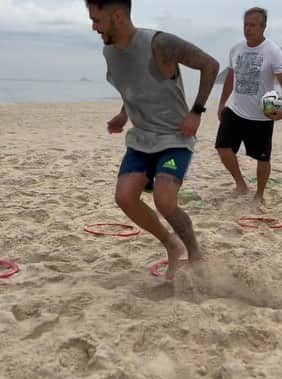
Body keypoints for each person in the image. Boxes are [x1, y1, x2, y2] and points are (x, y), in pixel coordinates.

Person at [85, 0, 219, 279]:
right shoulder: (109, 52)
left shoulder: (160, 44)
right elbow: (131, 87)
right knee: (124, 197)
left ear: (118, 16)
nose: (93, 27)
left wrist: (196, 112)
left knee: (165, 201)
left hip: (174, 138)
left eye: (97, 20)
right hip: (141, 140)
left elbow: (210, 65)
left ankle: (194, 251)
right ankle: (170, 244)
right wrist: (123, 114)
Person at [215, 7, 282, 206]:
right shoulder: (236, 49)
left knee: (263, 158)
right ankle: (240, 184)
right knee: (223, 147)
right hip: (235, 109)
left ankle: (259, 194)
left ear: (263, 27)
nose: (248, 29)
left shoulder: (273, 52)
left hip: (261, 114)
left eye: (252, 25)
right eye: (245, 25)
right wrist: (222, 104)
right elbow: (230, 78)